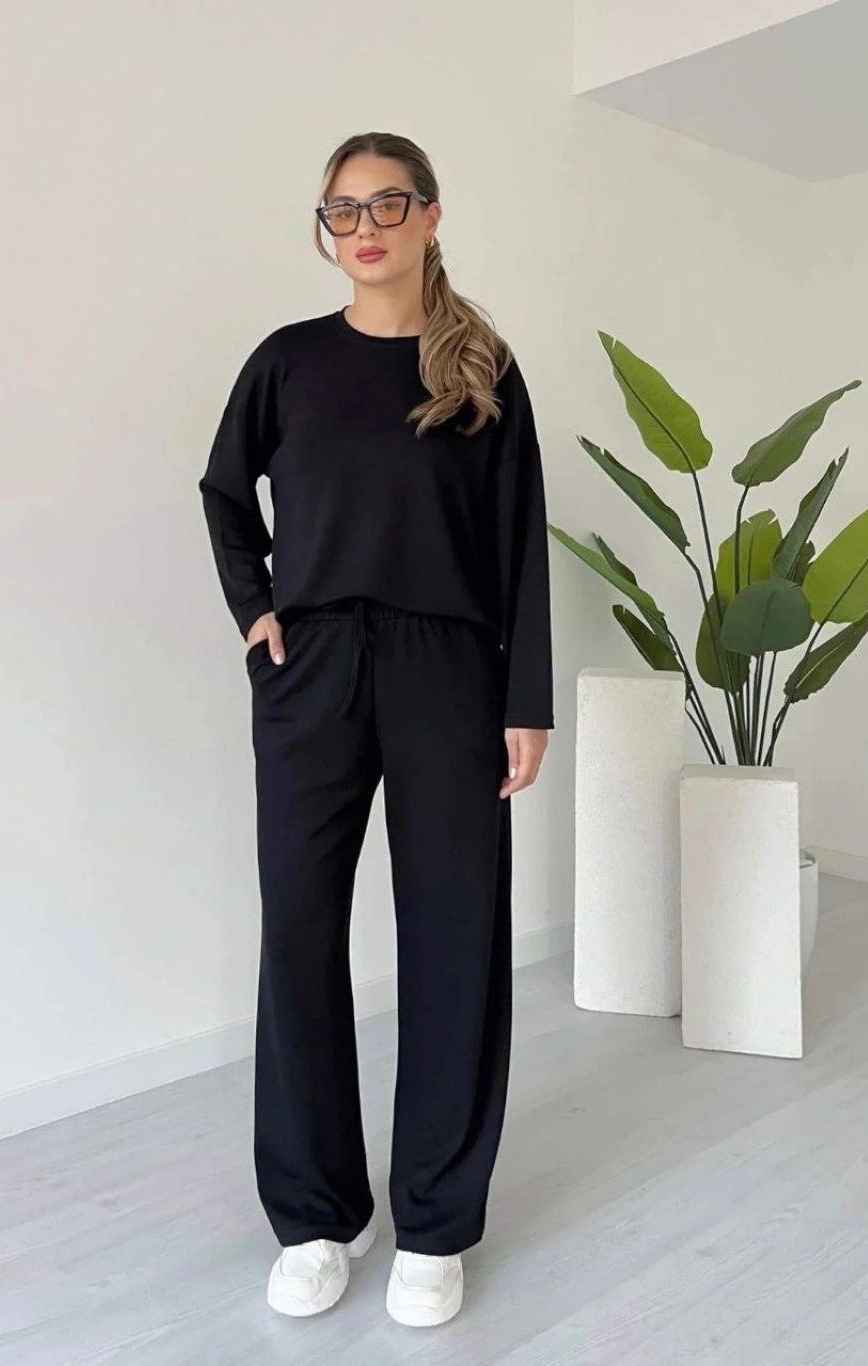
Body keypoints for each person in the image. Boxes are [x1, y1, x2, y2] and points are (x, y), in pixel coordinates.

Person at [199, 131, 553, 1328]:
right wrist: (255, 609)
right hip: (311, 670)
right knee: (299, 931)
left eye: (387, 203)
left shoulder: (481, 367)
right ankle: (316, 1215)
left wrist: (524, 698)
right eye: (342, 210)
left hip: (448, 668)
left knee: (453, 936)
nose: (365, 227)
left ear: (431, 215)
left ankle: (436, 1222)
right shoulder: (287, 361)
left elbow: (519, 539)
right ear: (326, 227)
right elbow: (223, 490)